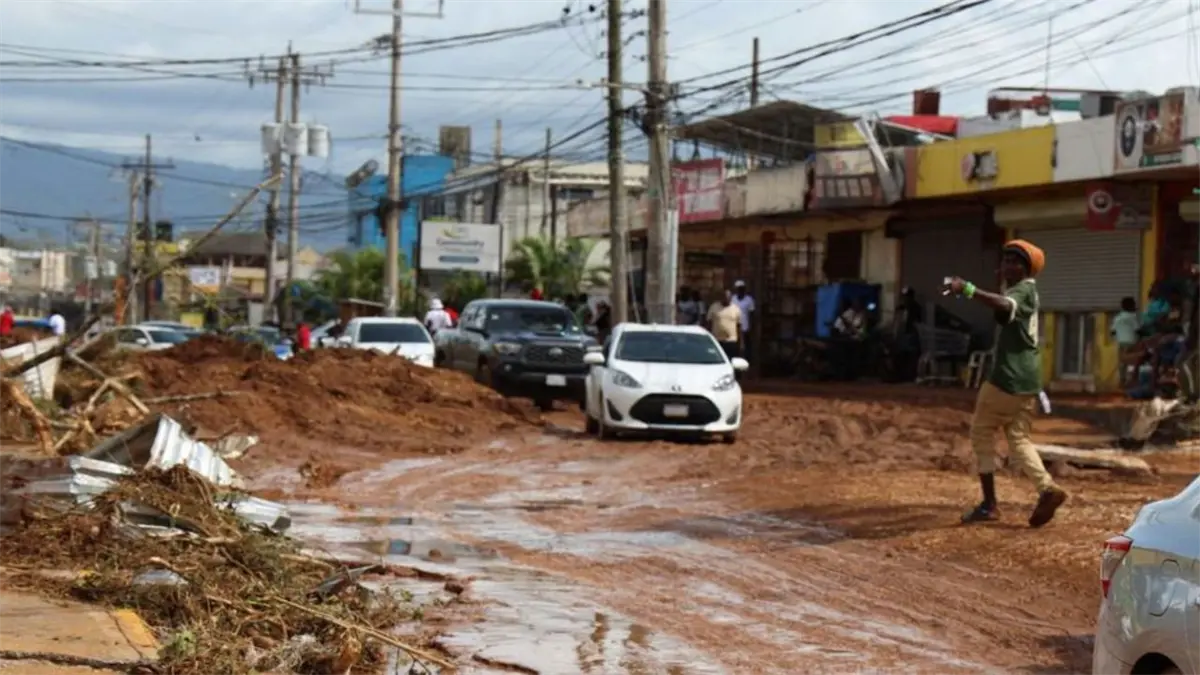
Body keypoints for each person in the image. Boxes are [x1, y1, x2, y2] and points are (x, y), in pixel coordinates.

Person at [944, 239, 1067, 528]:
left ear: (1028, 270)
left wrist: (970, 290)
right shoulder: (1023, 291)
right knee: (1019, 439)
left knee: (981, 433)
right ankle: (1047, 489)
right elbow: (1003, 310)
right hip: (1028, 380)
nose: (1008, 265)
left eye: (1016, 262)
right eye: (1006, 260)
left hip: (1006, 378)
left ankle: (989, 505)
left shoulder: (1022, 291)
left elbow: (1004, 305)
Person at [1112, 296, 1140, 387]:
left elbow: (1113, 332)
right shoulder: (1133, 317)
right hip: (1132, 342)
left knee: (1122, 364)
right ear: (1131, 306)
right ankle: (1131, 382)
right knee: (1133, 363)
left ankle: (1122, 382)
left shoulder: (1117, 318)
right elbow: (1137, 330)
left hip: (1121, 343)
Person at [706, 290, 743, 360]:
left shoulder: (736, 309)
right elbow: (709, 323)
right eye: (725, 297)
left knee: (730, 360)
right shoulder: (714, 307)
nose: (726, 299)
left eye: (728, 297)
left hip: (731, 341)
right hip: (716, 341)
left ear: (731, 298)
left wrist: (741, 343)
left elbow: (739, 326)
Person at [731, 280, 755, 361]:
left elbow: (752, 314)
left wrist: (751, 327)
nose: (740, 290)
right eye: (738, 289)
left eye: (741, 289)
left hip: (745, 327)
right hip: (734, 326)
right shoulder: (733, 299)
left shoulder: (749, 300)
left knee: (745, 346)